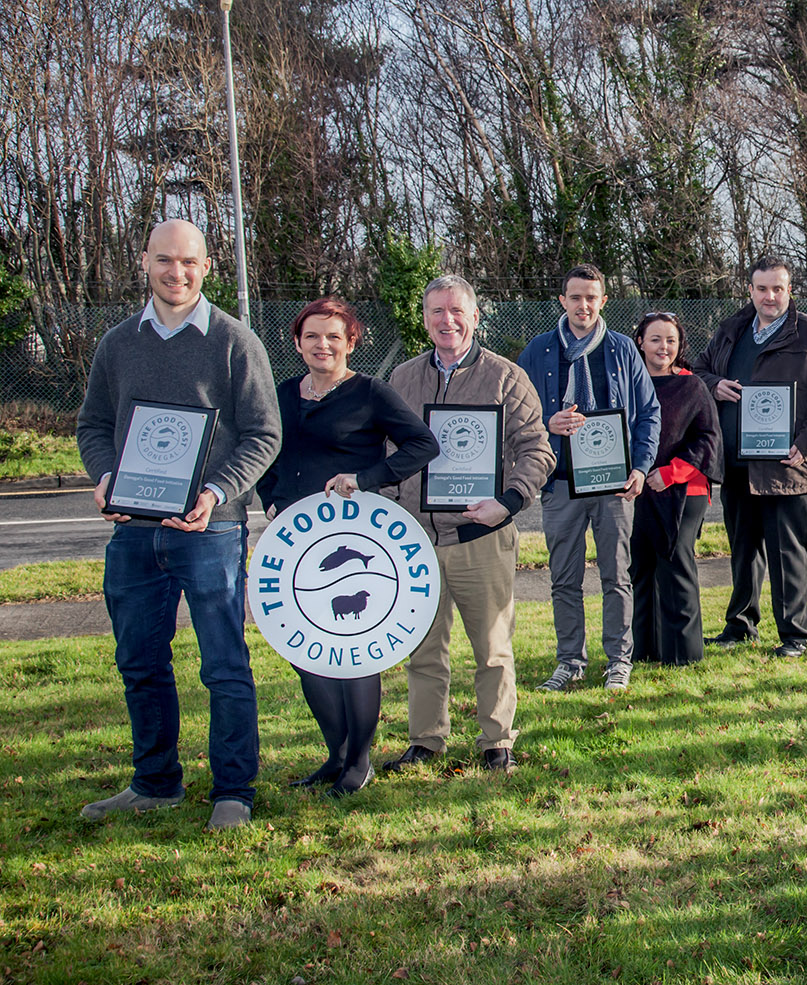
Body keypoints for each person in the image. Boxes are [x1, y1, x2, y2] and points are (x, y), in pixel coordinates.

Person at [74, 218, 281, 829]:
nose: (176, 272)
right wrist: (106, 475)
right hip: (134, 530)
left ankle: (233, 792)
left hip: (210, 532)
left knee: (223, 664)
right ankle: (155, 782)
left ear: (207, 265)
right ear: (144, 262)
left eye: (188, 261)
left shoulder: (233, 341)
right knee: (139, 661)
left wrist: (217, 492)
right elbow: (92, 426)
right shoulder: (117, 343)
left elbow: (264, 434)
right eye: (164, 260)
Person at [256, 298, 439, 795]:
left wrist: (365, 479)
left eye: (334, 336)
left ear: (350, 341)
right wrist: (271, 498)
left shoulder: (371, 393)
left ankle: (360, 762)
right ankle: (334, 756)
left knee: (354, 652)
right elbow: (266, 450)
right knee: (306, 650)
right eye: (313, 336)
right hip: (295, 540)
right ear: (297, 342)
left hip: (354, 536)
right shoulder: (282, 394)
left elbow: (424, 445)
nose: (323, 345)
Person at [383, 275, 554, 774]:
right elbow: (389, 451)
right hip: (415, 537)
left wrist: (507, 502)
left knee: (493, 648)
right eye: (436, 312)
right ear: (425, 319)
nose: (447, 321)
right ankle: (425, 739)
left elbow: (536, 450)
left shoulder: (506, 377)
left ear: (475, 316)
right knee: (423, 648)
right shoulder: (404, 378)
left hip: (482, 533)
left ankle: (497, 741)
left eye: (456, 311)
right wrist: (392, 505)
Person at [690, 256, 807, 658]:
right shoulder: (731, 332)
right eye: (762, 288)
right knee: (743, 548)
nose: (770, 296)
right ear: (750, 290)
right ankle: (741, 625)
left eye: (778, 288)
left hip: (789, 463)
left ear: (789, 290)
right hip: (739, 463)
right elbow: (697, 372)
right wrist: (714, 384)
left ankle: (795, 635)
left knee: (787, 550)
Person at [518, 264, 660, 692]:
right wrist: (548, 422)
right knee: (564, 577)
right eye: (575, 297)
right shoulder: (539, 351)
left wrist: (640, 467)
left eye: (591, 297)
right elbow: (518, 417)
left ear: (603, 301)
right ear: (562, 301)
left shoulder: (621, 349)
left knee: (617, 575)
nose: (583, 305)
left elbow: (649, 413)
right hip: (560, 483)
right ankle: (570, 661)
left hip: (615, 485)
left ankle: (619, 659)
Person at [629, 312, 722, 665]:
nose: (663, 347)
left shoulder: (691, 386)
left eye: (671, 340)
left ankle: (684, 653)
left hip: (684, 490)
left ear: (680, 345)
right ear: (640, 341)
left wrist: (671, 472)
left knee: (676, 567)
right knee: (639, 570)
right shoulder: (627, 384)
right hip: (637, 491)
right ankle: (642, 650)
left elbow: (708, 438)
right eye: (655, 339)